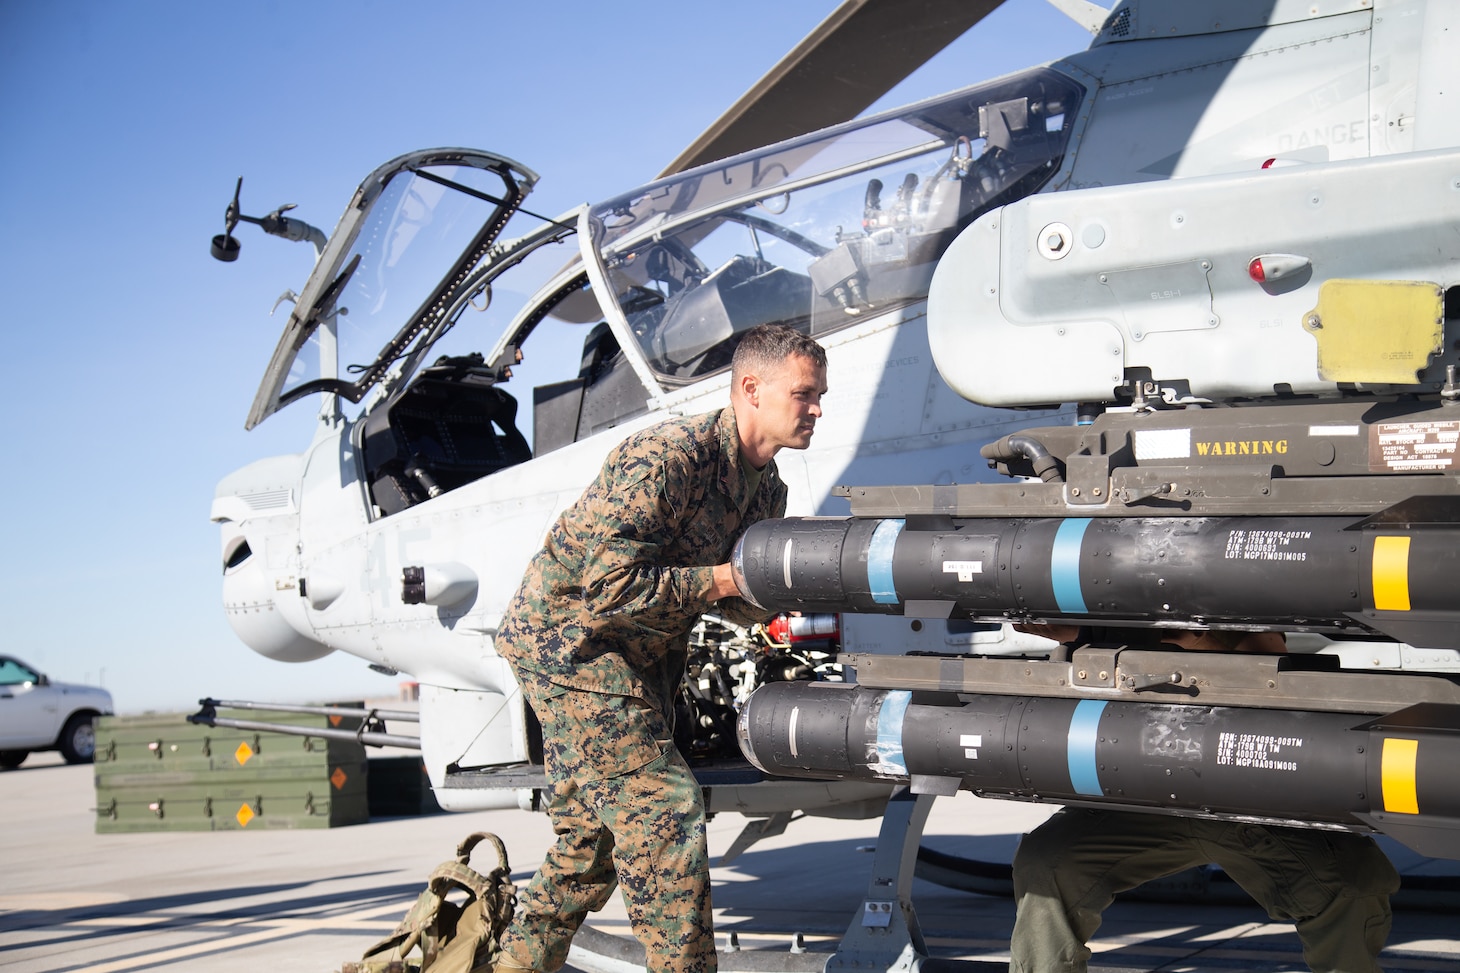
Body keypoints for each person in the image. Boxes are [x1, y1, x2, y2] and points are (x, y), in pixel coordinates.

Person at [493, 323, 829, 973]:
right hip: (573, 646)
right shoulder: (668, 458)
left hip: (640, 657)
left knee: (587, 848)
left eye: (820, 395)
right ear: (751, 389)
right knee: (665, 815)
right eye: (805, 394)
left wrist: (800, 588)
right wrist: (729, 578)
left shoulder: (767, 489)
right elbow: (609, 586)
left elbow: (740, 598)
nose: (817, 409)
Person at [1008, 626, 1401, 973]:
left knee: (1350, 883)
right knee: (1048, 863)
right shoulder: (1108, 577)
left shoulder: (1232, 583)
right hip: (1145, 790)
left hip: (1242, 790)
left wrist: (1204, 636)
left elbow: (1266, 653)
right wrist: (1069, 629)